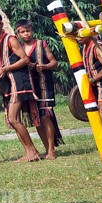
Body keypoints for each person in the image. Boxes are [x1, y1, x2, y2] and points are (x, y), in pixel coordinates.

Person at [0, 12, 41, 162]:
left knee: (13, 118)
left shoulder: (10, 39)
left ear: (1, 25)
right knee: (12, 119)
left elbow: (24, 59)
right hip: (8, 86)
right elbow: (0, 66)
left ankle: (33, 151)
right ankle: (29, 152)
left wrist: (6, 69)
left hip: (19, 82)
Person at [15, 19, 64, 159]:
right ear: (18, 33)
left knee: (45, 116)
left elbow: (54, 62)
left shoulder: (41, 44)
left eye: (28, 31)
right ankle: (46, 149)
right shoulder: (19, 48)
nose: (26, 34)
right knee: (36, 117)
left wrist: (45, 66)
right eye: (23, 32)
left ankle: (51, 150)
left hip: (44, 84)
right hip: (30, 87)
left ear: (32, 30)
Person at [76, 32, 102, 141]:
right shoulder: (86, 46)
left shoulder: (97, 46)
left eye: (80, 34)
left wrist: (93, 79)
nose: (78, 38)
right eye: (76, 35)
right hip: (100, 86)